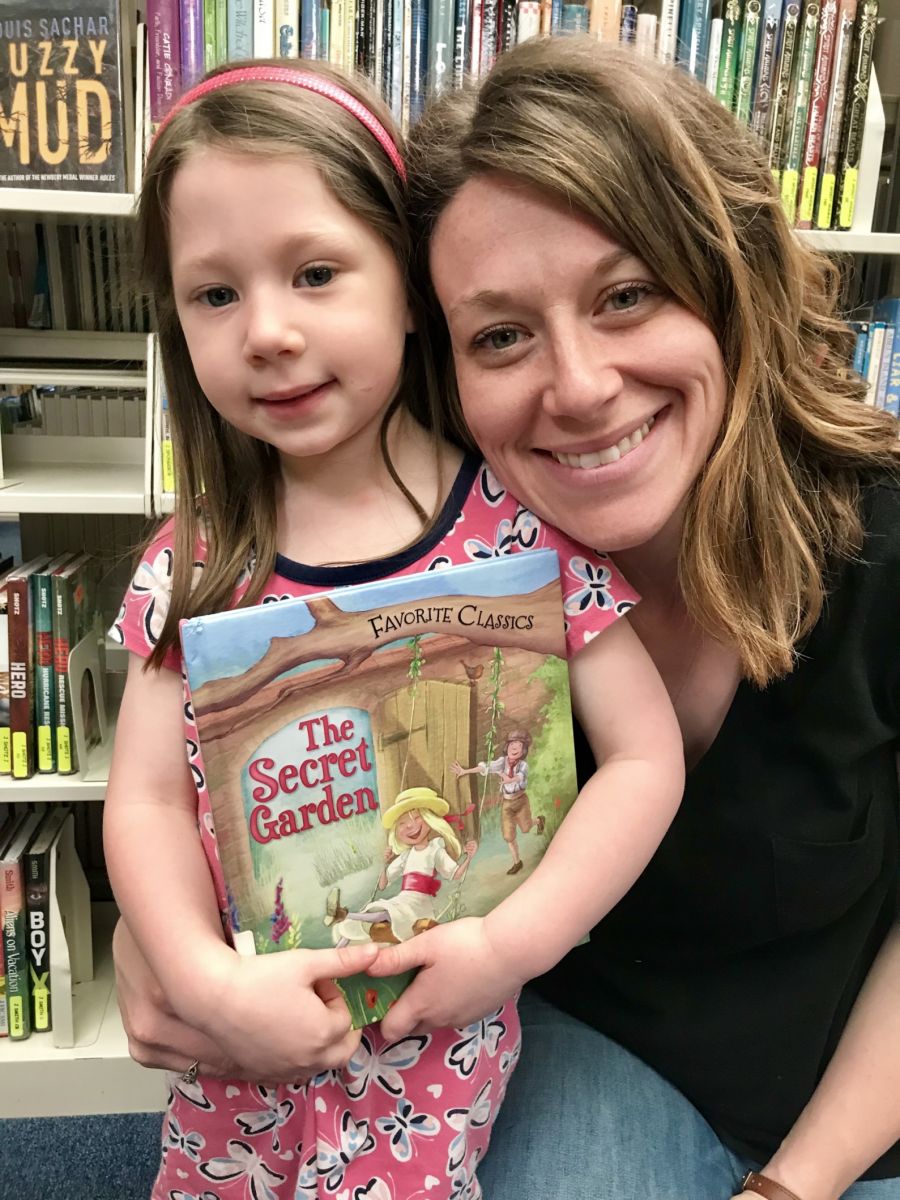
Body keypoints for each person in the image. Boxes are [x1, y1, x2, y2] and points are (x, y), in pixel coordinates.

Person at [102, 56, 684, 1199]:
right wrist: (200, 980)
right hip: (240, 1078)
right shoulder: (198, 559)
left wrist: (512, 949)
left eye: (316, 273)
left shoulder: (525, 533)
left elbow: (646, 758)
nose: (265, 331)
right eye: (213, 294)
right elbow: (145, 798)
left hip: (436, 1071)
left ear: (410, 287)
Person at [392, 35, 900, 1200]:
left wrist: (796, 1185)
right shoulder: (444, 576)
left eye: (628, 295)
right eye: (501, 335)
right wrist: (162, 955)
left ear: (733, 285)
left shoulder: (886, 541)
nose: (577, 386)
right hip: (598, 1053)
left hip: (865, 1101)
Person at [325, 786, 478, 945]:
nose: (410, 826)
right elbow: (383, 884)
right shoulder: (406, 855)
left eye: (416, 818)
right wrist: (384, 864)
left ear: (430, 819)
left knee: (384, 915)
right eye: (402, 823)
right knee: (372, 913)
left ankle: (343, 914)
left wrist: (468, 858)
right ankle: (339, 943)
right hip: (403, 900)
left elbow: (455, 874)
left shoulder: (435, 850)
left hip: (418, 905)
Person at [451, 728, 544, 874]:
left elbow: (519, 777)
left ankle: (538, 821)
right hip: (507, 803)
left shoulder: (523, 765)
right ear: (507, 747)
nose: (515, 748)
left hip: (520, 801)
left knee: (525, 828)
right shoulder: (502, 762)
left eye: (519, 745)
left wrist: (509, 779)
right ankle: (517, 862)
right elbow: (486, 767)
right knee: (508, 836)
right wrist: (465, 771)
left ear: (523, 750)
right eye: (513, 744)